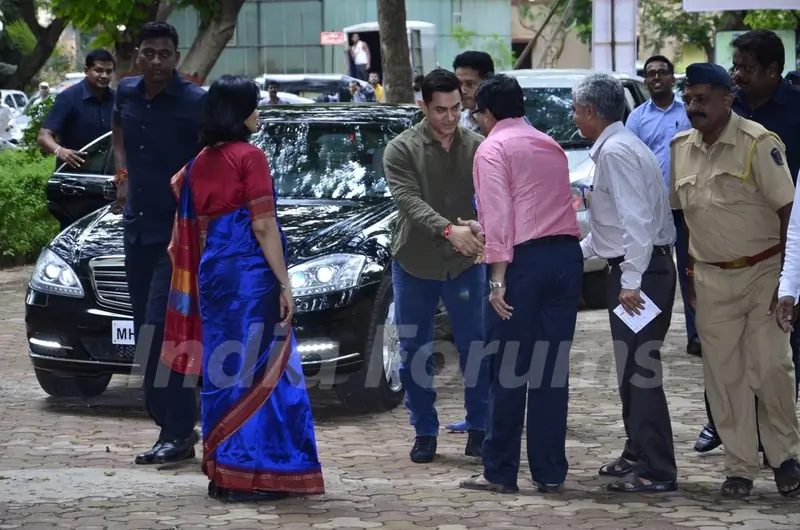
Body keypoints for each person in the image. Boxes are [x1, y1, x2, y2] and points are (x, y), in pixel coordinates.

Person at [160, 74, 325, 503]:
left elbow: (194, 228)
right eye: (253, 104)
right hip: (251, 275)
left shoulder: (197, 164)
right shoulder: (249, 157)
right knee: (262, 373)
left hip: (214, 274)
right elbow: (263, 224)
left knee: (225, 369)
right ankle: (252, 475)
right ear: (237, 112)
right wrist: (285, 282)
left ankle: (223, 473)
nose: (258, 111)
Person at [673, 62, 800, 497]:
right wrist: (689, 270)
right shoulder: (680, 148)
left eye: (702, 99)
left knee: (770, 369)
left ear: (727, 99)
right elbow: (687, 219)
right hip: (710, 278)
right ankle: (740, 465)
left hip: (764, 272)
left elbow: (789, 213)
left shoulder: (758, 144)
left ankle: (785, 458)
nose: (693, 107)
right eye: (688, 99)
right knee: (724, 377)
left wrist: (789, 282)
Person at [457, 74, 582, 494]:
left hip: (522, 264)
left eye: (476, 112)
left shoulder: (492, 148)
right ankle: (549, 472)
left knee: (508, 369)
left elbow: (499, 216)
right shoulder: (549, 143)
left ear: (488, 113)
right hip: (565, 258)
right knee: (550, 370)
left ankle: (500, 471)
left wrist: (496, 280)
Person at [574, 73, 678, 493]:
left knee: (641, 372)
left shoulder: (616, 151)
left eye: (578, 109)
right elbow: (611, 228)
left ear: (593, 112)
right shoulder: (617, 146)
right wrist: (574, 253)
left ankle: (658, 470)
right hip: (638, 269)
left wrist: (630, 280)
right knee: (630, 370)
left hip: (642, 275)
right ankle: (638, 450)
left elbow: (636, 222)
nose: (574, 116)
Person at [112, 21, 207, 466]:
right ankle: (175, 422)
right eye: (148, 53)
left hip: (178, 239)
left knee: (160, 331)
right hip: (136, 232)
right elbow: (118, 134)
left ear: (176, 57)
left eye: (163, 54)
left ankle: (177, 430)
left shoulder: (195, 102)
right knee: (145, 334)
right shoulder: (125, 93)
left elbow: (212, 159)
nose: (155, 61)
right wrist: (122, 177)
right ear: (138, 55)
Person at [384, 68, 490, 464]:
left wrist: (482, 231)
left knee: (475, 345)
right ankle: (424, 430)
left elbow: (492, 199)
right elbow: (408, 201)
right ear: (422, 106)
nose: (449, 118)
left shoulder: (480, 147)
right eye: (440, 110)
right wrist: (450, 230)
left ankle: (479, 427)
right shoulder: (400, 149)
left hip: (466, 263)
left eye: (456, 109)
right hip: (415, 260)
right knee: (414, 349)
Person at [626, 55, 696, 358]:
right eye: (650, 73)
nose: (656, 78)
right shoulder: (638, 118)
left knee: (692, 271)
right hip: (655, 210)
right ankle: (650, 332)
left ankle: (698, 335)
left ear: (672, 78)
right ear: (645, 80)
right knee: (655, 271)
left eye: (662, 72)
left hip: (690, 207)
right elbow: (629, 162)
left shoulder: (691, 111)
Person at [38, 49, 116, 172]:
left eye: (109, 71)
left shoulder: (117, 99)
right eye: (98, 70)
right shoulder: (68, 98)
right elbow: (43, 136)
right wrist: (60, 151)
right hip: (73, 177)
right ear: (86, 70)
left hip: (107, 174)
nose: (104, 76)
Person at [453, 51, 494, 135]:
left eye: (470, 84)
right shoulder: (457, 123)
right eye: (459, 84)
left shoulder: (504, 121)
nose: (462, 90)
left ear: (487, 82)